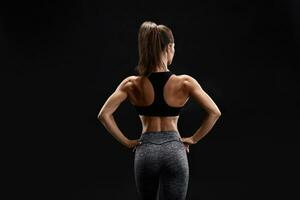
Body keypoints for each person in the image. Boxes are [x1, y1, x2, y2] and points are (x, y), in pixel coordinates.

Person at [97, 21, 221, 200]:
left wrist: (126, 142)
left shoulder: (132, 84)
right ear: (169, 47)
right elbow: (214, 112)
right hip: (174, 149)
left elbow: (104, 115)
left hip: (146, 151)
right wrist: (193, 139)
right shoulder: (185, 82)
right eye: (174, 47)